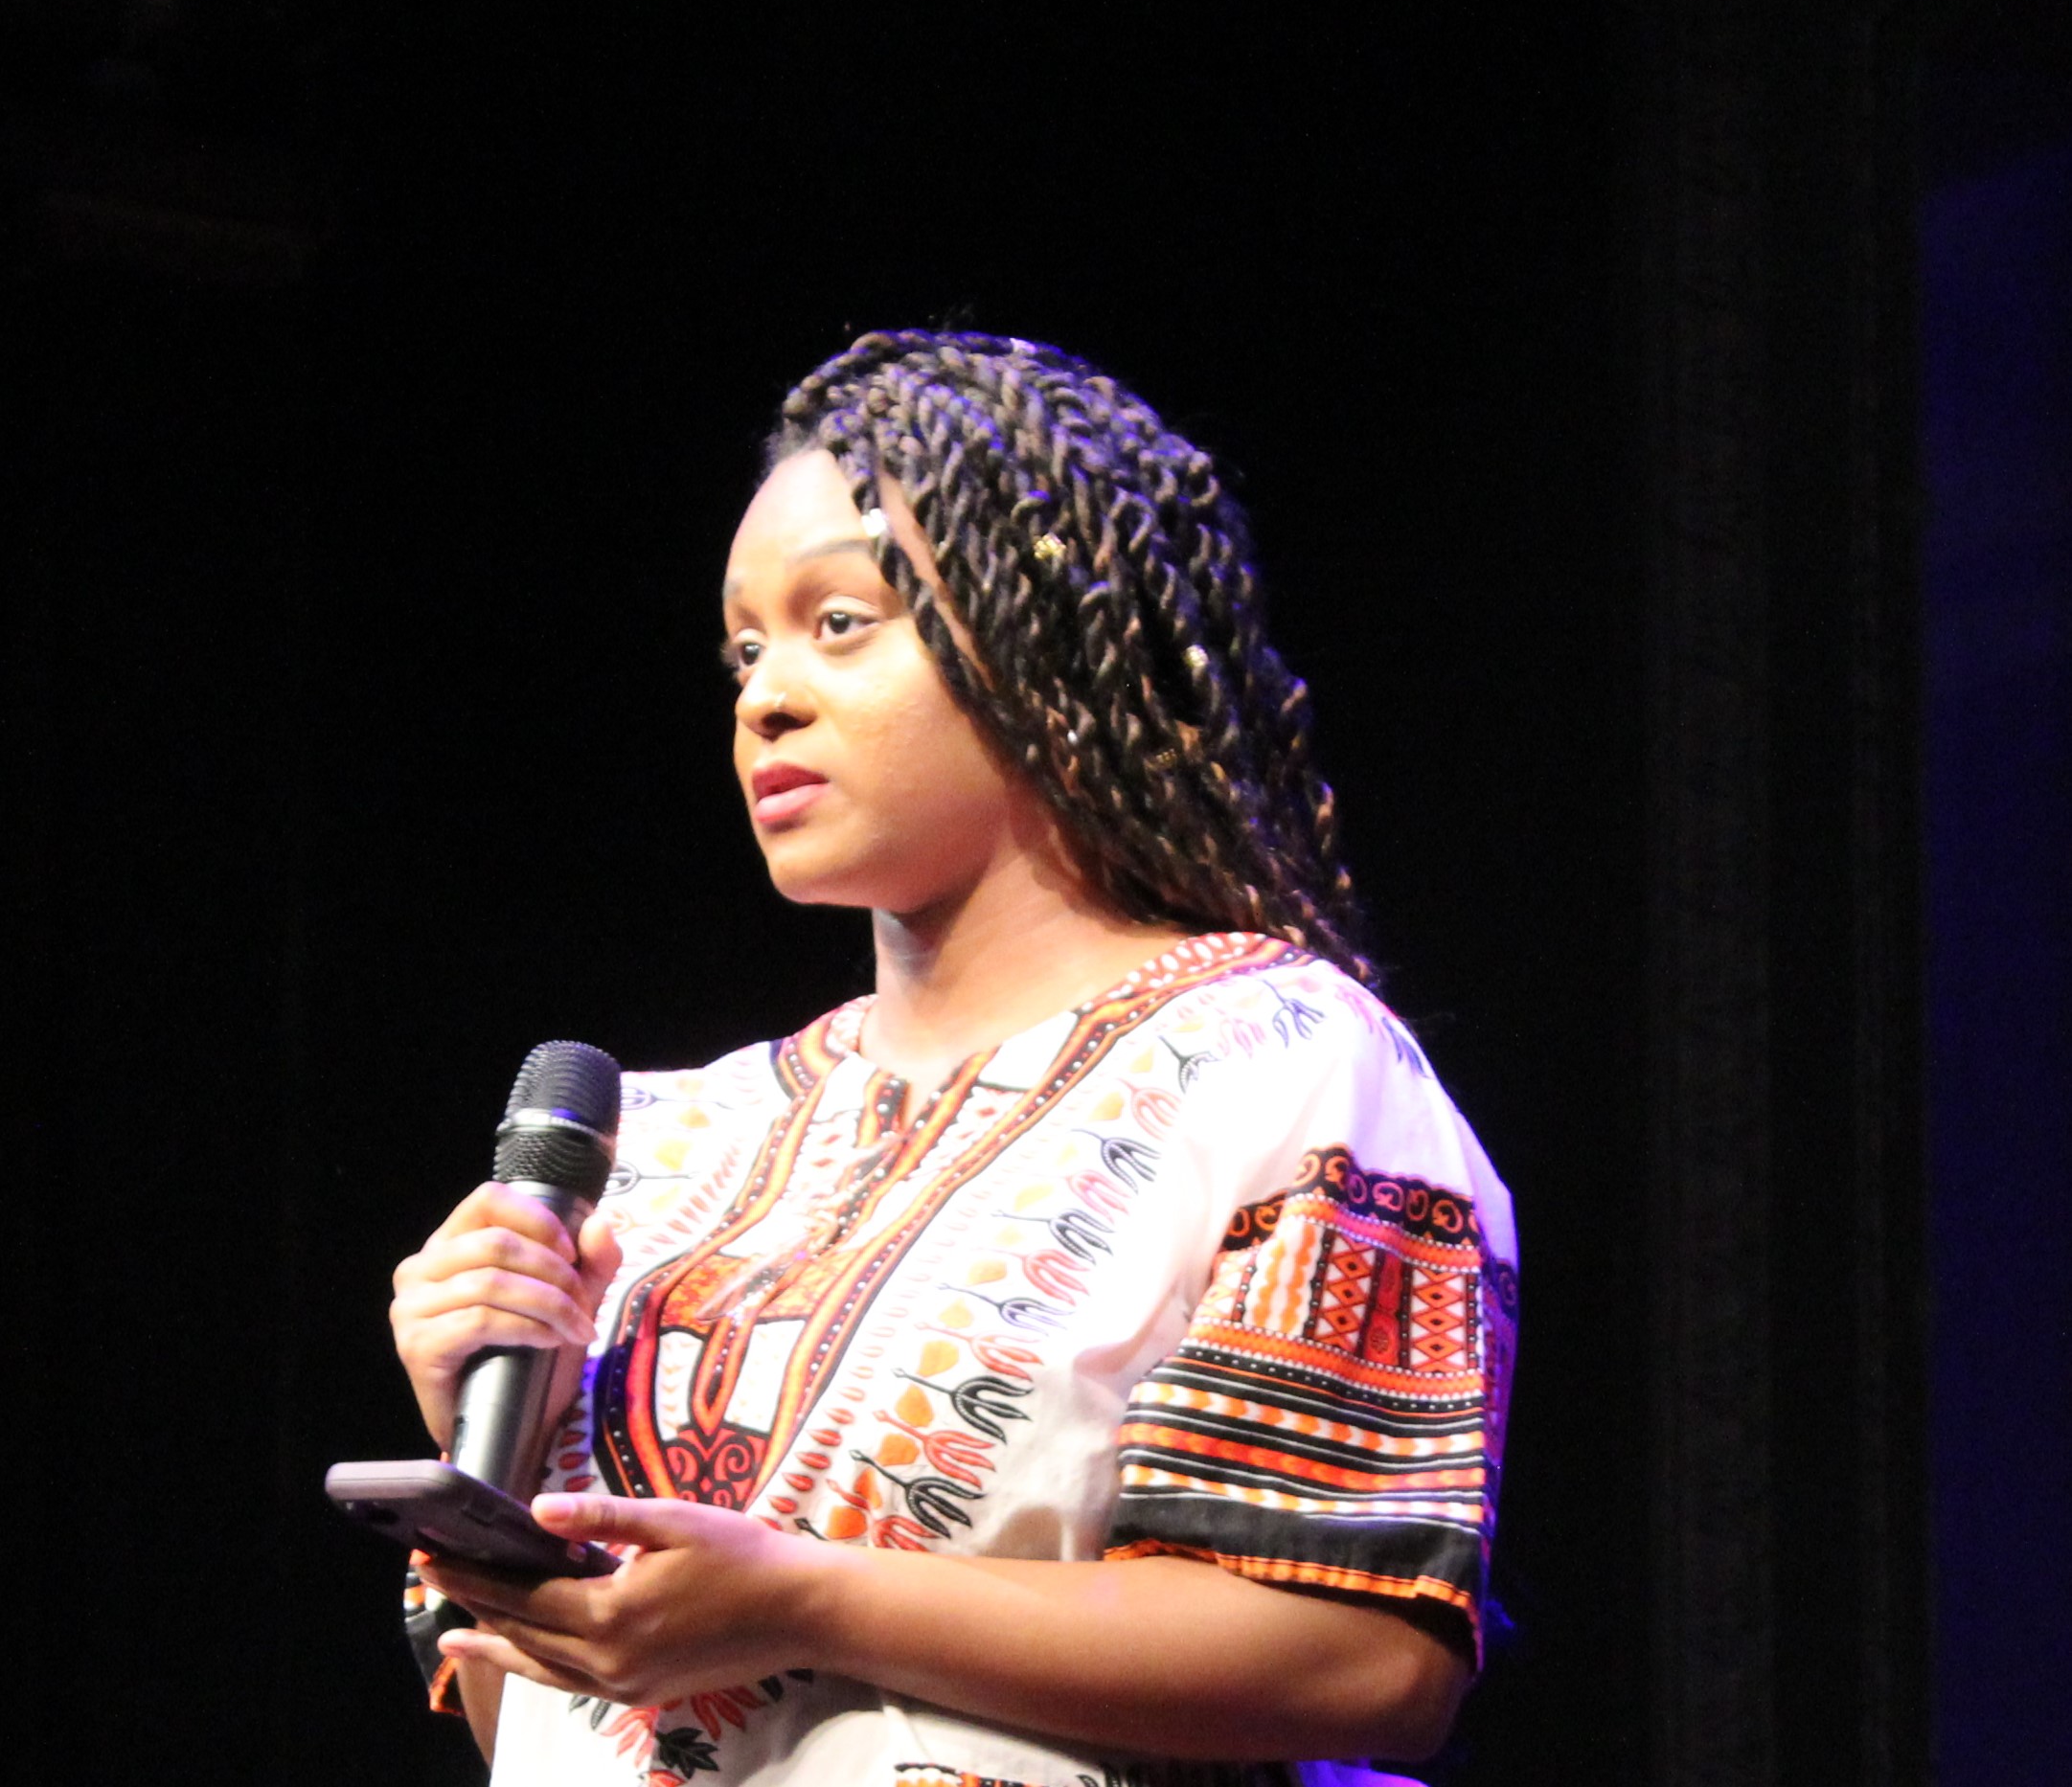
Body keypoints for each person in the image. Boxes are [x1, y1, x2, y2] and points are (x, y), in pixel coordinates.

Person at [389, 330, 1517, 1787]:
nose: (766, 696)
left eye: (841, 623)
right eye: (745, 646)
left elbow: (1367, 1658)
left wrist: (803, 1596)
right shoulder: (672, 1146)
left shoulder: (1283, 1065)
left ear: (1039, 640)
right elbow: (549, 1722)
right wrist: (486, 1433)